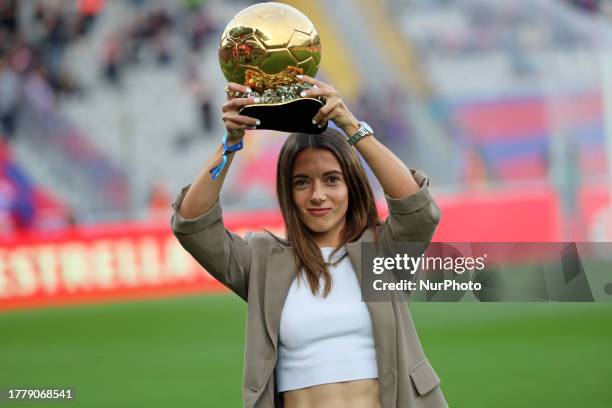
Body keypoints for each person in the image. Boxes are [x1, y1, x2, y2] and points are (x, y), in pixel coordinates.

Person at [171, 75, 448, 408]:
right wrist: (231, 143)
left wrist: (350, 125)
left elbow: (417, 210)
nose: (318, 195)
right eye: (302, 182)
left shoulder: (380, 253)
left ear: (351, 186)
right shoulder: (263, 261)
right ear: (288, 193)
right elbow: (193, 225)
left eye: (332, 180)